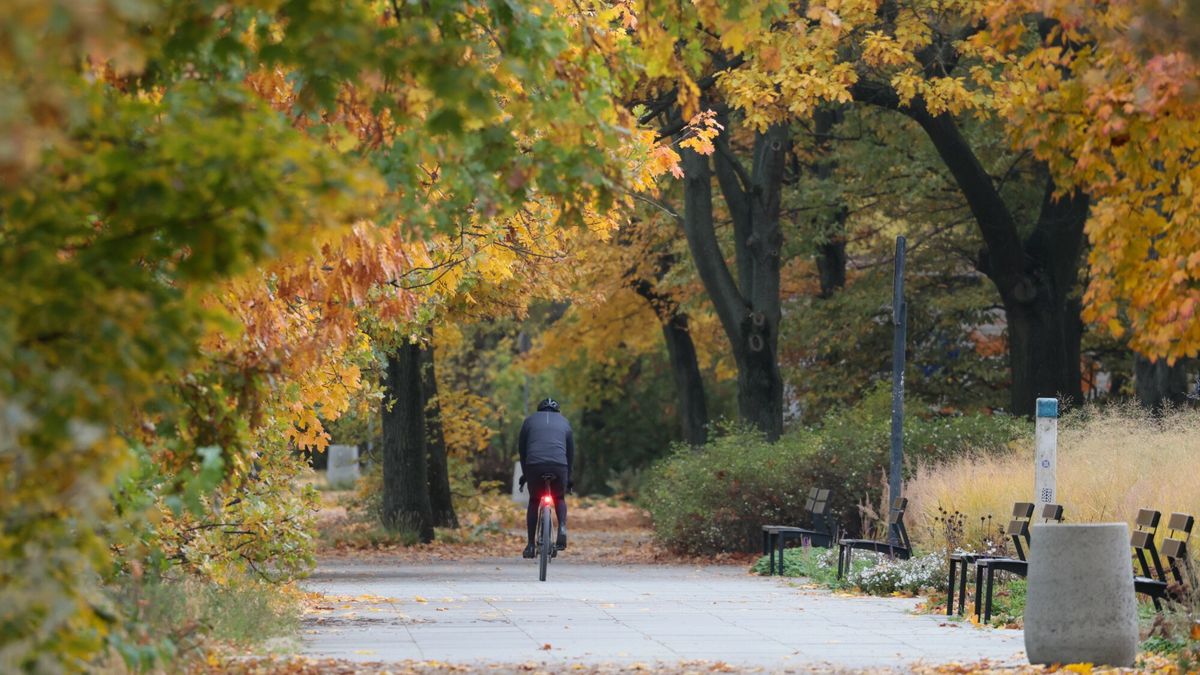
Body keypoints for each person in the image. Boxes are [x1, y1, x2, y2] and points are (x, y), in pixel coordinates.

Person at [517, 397, 573, 559]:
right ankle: (562, 526)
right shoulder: (565, 422)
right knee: (559, 497)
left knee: (535, 500)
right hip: (559, 465)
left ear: (539, 409)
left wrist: (525, 474)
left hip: (535, 465)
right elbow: (570, 454)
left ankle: (530, 545)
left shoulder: (529, 422)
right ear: (557, 411)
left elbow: (523, 451)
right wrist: (568, 478)